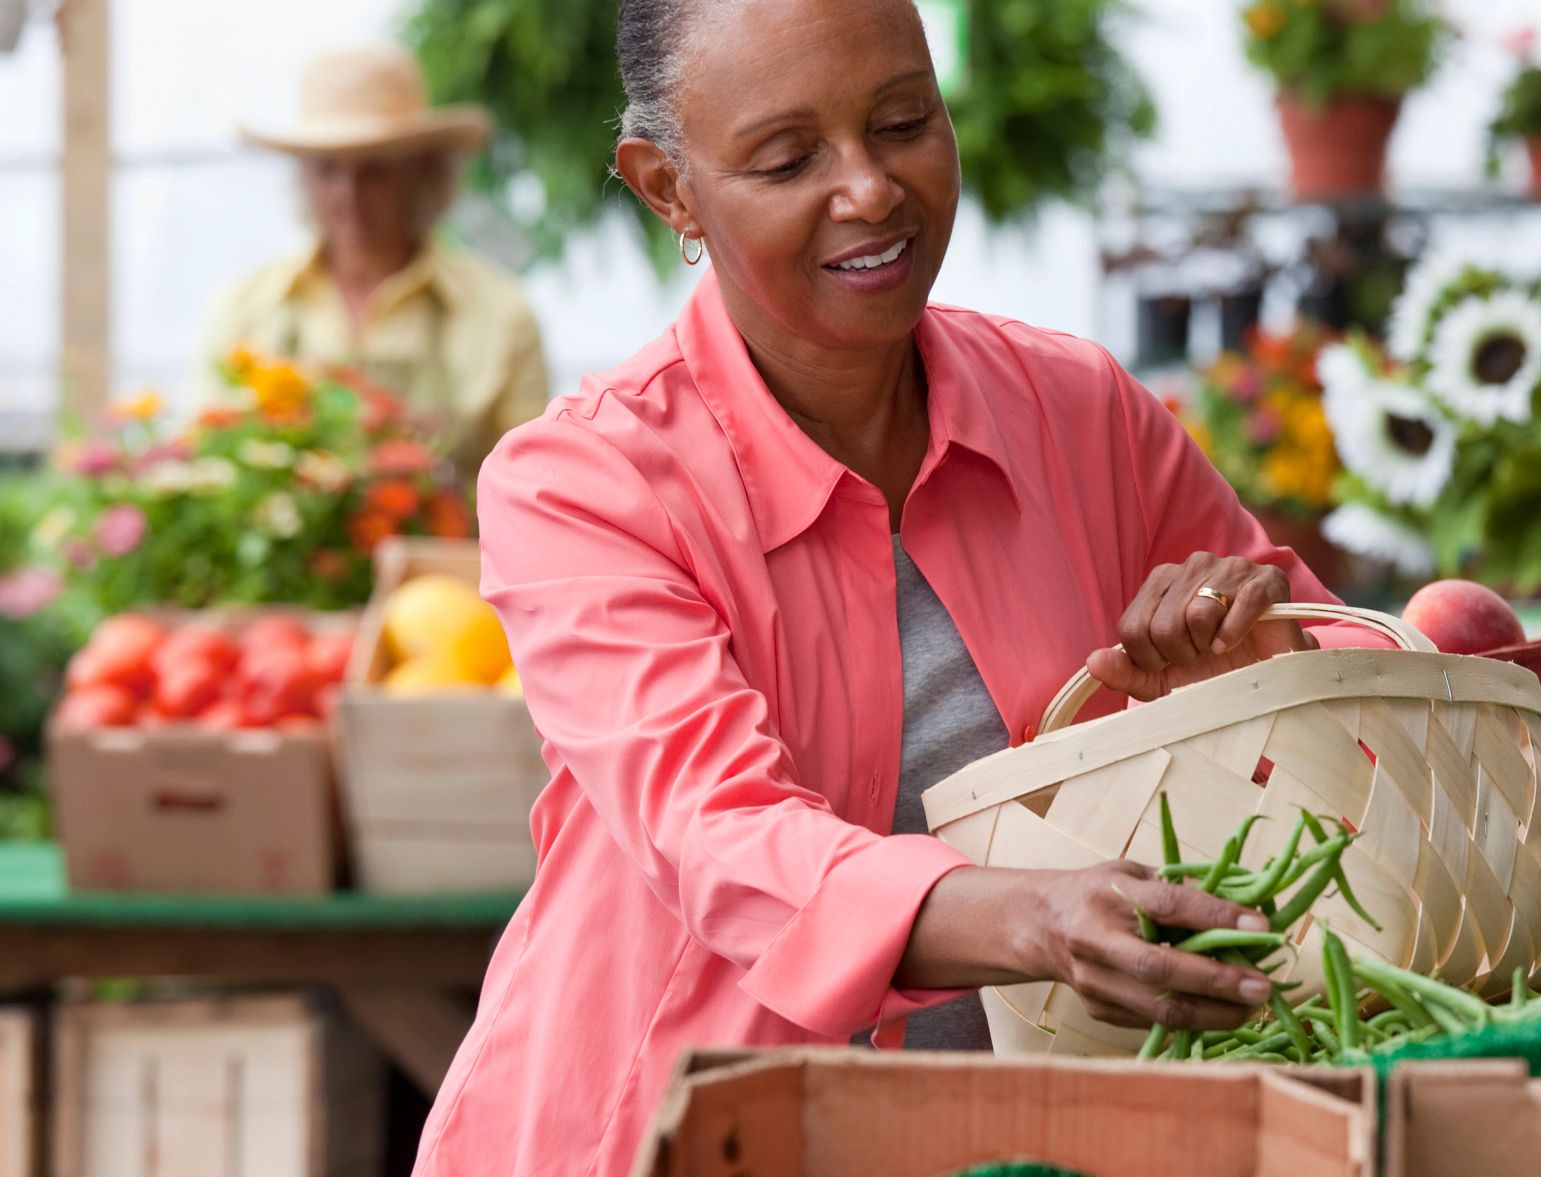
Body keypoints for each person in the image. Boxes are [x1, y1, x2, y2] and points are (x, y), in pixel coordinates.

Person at [413, 1, 1387, 1171]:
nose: (870, 188)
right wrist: (1030, 911)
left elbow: (1360, 692)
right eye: (787, 159)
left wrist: (1252, 673)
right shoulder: (583, 483)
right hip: (673, 1128)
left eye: (903, 121)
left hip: (1045, 1137)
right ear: (666, 187)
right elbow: (718, 833)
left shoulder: (1079, 412)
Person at [196, 44, 549, 481]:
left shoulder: (501, 315)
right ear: (303, 177)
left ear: (424, 171)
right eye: (328, 170)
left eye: (374, 170)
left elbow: (536, 486)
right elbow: (203, 464)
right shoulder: (245, 307)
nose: (349, 195)